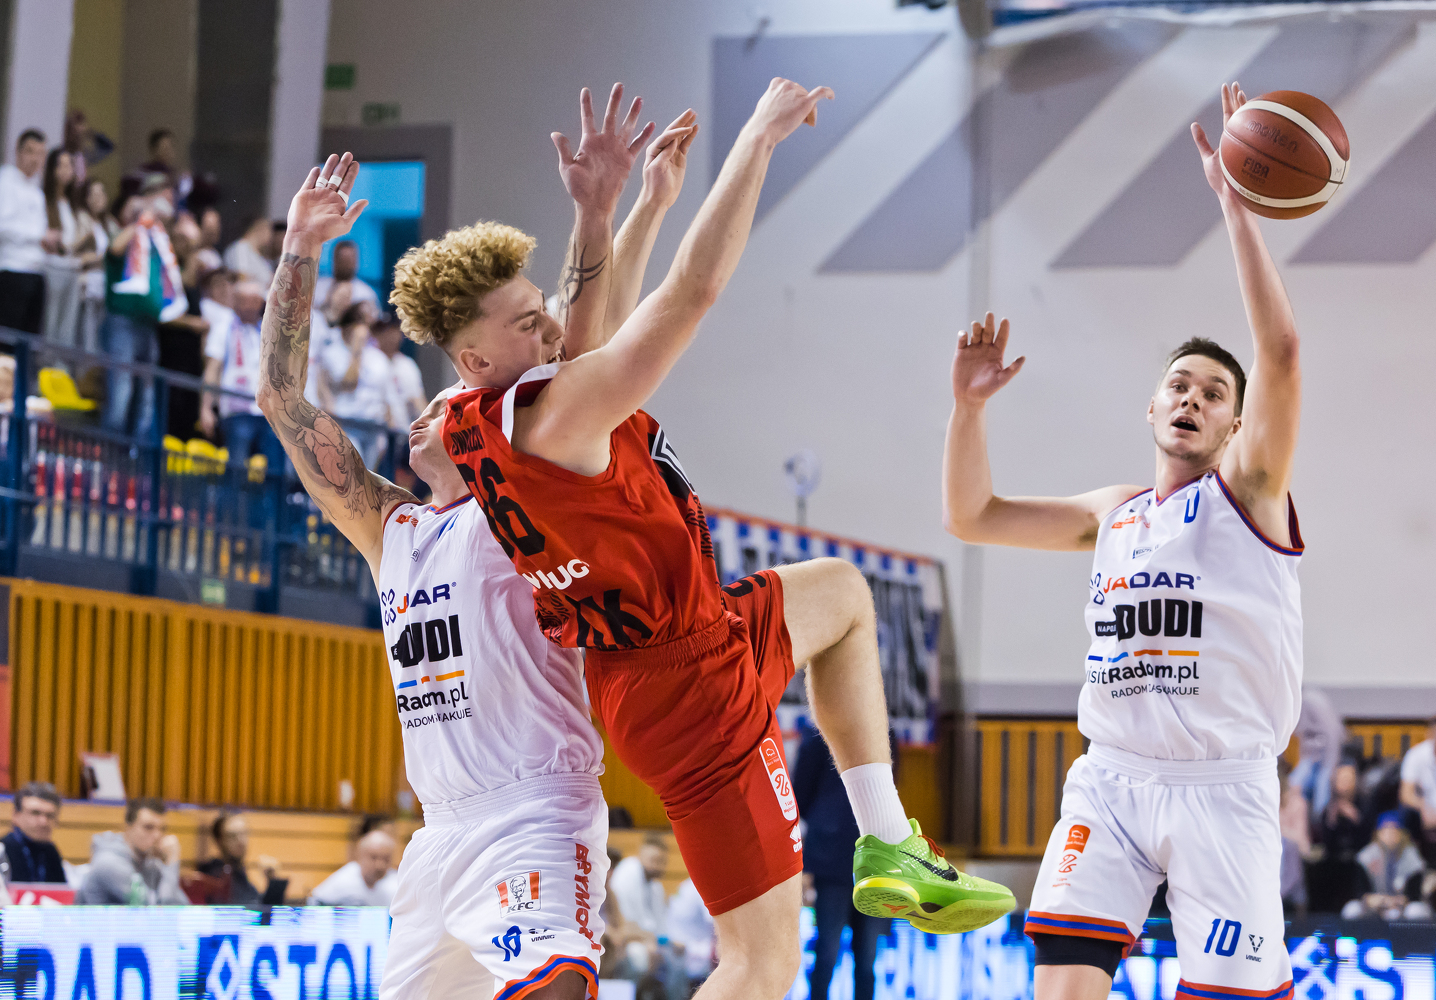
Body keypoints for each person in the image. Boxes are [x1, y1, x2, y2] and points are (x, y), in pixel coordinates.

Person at [421, 78, 1011, 1000]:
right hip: (687, 684)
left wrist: (629, 207)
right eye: (527, 322)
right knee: (761, 965)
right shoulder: (556, 415)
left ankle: (889, 838)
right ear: (476, 357)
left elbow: (588, 322)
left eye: (542, 308)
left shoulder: (488, 409)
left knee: (842, 596)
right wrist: (759, 140)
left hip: (678, 644)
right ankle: (884, 843)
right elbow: (690, 296)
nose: (550, 326)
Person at [254, 84, 688, 1000]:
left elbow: (581, 343)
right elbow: (282, 401)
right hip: (438, 834)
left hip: (536, 809)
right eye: (525, 320)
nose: (440, 413)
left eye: (539, 315)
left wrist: (599, 211)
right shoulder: (393, 528)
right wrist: (299, 249)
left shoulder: (526, 479)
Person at [943, 83, 1303, 1000]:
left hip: (1224, 788)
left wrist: (1235, 207)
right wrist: (967, 411)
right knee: (1061, 987)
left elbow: (1282, 354)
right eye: (1180, 385)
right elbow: (973, 517)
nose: (1193, 398)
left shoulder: (1250, 497)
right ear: (1151, 407)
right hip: (1110, 780)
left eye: (1214, 394)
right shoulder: (1115, 513)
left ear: (1234, 427)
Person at [793, 723, 888, 1000]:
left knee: (867, 956)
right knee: (828, 952)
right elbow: (801, 797)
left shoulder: (883, 732)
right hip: (832, 859)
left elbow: (890, 794)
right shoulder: (818, 735)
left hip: (872, 861)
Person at [101, 174, 187, 436]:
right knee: (122, 389)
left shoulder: (156, 243)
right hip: (123, 322)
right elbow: (114, 249)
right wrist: (140, 221)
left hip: (148, 325)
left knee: (146, 396)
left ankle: (136, 452)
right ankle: (111, 447)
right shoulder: (126, 235)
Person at [202, 279, 282, 478]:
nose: (250, 306)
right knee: (238, 457)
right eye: (244, 300)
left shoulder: (268, 330)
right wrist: (205, 408)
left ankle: (272, 499)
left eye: (254, 301)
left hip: (266, 412)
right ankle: (233, 498)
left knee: (278, 459)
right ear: (236, 301)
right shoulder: (224, 326)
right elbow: (212, 369)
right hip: (237, 411)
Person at [74, 796, 188, 904]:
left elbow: (183, 905)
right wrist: (172, 862)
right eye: (148, 827)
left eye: (162, 829)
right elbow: (157, 910)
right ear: (127, 827)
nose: (157, 835)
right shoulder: (109, 863)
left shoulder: (151, 864)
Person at [0, 129, 56, 334]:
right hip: (13, 269)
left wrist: (48, 242)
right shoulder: (6, 181)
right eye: (30, 152)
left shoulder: (36, 191)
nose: (35, 159)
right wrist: (39, 236)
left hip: (37, 271)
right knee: (8, 340)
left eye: (40, 154)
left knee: (30, 341)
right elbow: (3, 226)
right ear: (18, 152)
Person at [322, 303, 392, 467]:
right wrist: (356, 351)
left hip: (373, 428)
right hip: (347, 426)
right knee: (352, 471)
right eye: (360, 324)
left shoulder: (379, 358)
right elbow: (349, 383)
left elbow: (386, 397)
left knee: (369, 477)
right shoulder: (333, 354)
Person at [41, 148, 92, 350]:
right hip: (52, 269)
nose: (65, 171)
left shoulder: (71, 205)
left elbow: (71, 241)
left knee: (67, 330)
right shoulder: (44, 201)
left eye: (69, 165)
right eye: (60, 165)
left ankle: (59, 366)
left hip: (72, 270)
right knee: (50, 325)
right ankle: (43, 366)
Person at [1309, 761, 1374, 914]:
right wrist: (1331, 822)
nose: (1345, 783)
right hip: (1335, 861)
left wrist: (1355, 817)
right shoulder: (1329, 808)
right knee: (1319, 870)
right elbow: (1327, 843)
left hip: (1359, 858)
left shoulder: (1366, 803)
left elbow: (1369, 838)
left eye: (1348, 778)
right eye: (1341, 778)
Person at [1343, 812, 1425, 919]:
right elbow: (1360, 892)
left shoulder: (1411, 857)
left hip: (1400, 908)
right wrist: (1375, 900)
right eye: (1386, 830)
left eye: (1394, 830)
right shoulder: (1366, 857)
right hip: (1374, 906)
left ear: (1402, 834)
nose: (1390, 834)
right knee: (1352, 909)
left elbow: (1414, 895)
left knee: (1415, 910)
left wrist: (1396, 901)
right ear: (1378, 833)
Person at [196, 811, 281, 905]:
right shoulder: (214, 876)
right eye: (232, 836)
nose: (241, 841)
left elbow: (258, 906)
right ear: (219, 840)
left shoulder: (238, 871)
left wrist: (272, 881)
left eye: (243, 833)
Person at [76, 177, 117, 356]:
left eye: (102, 194)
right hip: (88, 285)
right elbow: (73, 253)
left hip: (105, 287)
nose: (99, 198)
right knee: (87, 339)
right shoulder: (82, 220)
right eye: (94, 194)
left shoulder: (109, 224)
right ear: (86, 198)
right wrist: (99, 258)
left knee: (102, 342)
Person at [308, 829, 398, 906]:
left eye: (386, 859)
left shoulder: (396, 883)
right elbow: (314, 902)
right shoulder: (344, 878)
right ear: (360, 855)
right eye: (373, 857)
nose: (380, 865)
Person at [2, 782, 66, 883]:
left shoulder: (51, 852)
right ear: (16, 815)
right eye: (35, 813)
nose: (43, 822)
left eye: (50, 815)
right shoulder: (3, 851)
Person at [1399, 716, 1436, 865]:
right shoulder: (1416, 755)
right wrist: (1424, 808)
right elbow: (1406, 794)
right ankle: (1414, 865)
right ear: (1429, 734)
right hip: (1424, 812)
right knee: (1406, 813)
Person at [315, 239, 380, 318]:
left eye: (348, 259)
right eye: (342, 258)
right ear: (334, 259)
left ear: (356, 261)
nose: (345, 264)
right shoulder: (317, 288)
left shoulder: (366, 294)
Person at [224, 215, 276, 289]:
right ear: (260, 229)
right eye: (269, 230)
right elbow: (241, 278)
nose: (271, 236)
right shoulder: (241, 248)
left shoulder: (259, 255)